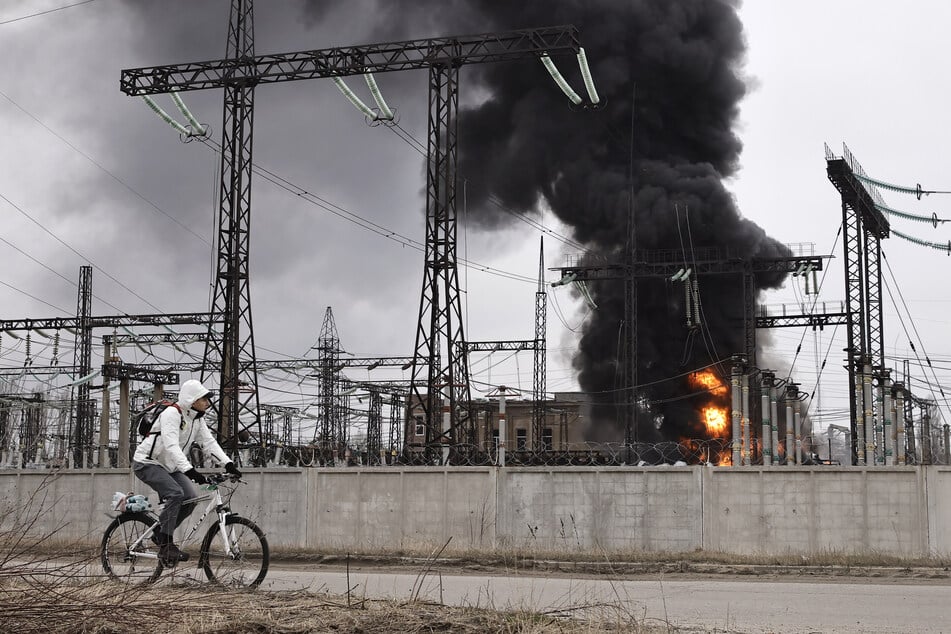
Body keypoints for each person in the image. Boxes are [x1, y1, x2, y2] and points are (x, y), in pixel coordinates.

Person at [132, 379, 242, 566]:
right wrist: (190, 471)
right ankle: (167, 543)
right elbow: (171, 446)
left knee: (189, 498)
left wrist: (228, 464)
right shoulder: (171, 414)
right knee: (176, 493)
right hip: (147, 462)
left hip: (170, 466)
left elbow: (209, 443)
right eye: (203, 398)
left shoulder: (196, 419)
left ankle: (160, 534)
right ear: (192, 399)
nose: (207, 402)